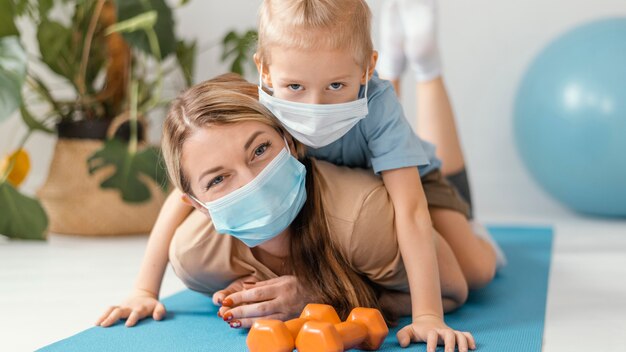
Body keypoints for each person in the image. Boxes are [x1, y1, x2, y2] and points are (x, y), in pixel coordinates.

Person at [167, 75, 475, 351]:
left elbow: (453, 289)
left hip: (420, 183)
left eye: (260, 150)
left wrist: (324, 297)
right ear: (198, 206)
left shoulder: (361, 218)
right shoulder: (195, 257)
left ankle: (426, 73)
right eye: (218, 179)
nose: (253, 184)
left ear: (288, 140)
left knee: (479, 267)